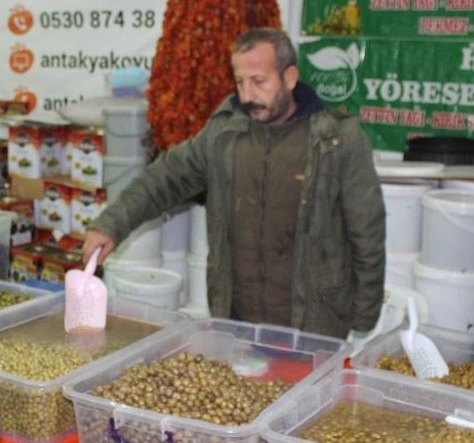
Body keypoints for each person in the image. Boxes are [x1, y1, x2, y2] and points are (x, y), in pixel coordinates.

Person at [83, 28, 385, 339]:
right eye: (240, 82)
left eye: (259, 81)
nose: (247, 95)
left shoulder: (337, 141)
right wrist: (111, 224)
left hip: (313, 327)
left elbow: (367, 231)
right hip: (237, 323)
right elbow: (165, 178)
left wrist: (363, 316)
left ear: (290, 77)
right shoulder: (225, 135)